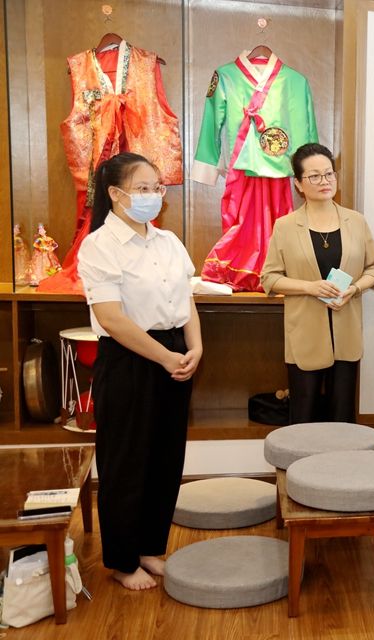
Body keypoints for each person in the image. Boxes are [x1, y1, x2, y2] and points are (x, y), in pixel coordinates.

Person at [78, 152, 202, 590]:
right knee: (126, 461)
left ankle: (150, 547)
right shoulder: (99, 245)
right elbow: (112, 319)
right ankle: (123, 561)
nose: (153, 196)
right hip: (129, 357)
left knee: (165, 458)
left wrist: (195, 347)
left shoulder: (168, 241)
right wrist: (165, 358)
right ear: (115, 193)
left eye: (157, 188)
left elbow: (186, 299)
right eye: (143, 188)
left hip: (174, 352)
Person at [261, 143, 374, 424]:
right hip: (304, 334)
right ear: (298, 184)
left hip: (346, 334)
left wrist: (354, 289)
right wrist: (309, 287)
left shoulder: (356, 221)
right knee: (303, 417)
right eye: (314, 176)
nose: (324, 181)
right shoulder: (285, 226)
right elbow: (269, 278)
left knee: (342, 417)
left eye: (329, 174)